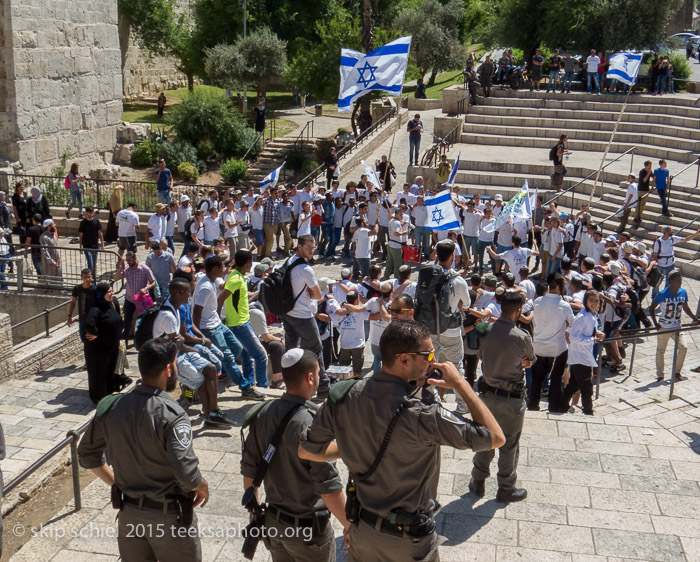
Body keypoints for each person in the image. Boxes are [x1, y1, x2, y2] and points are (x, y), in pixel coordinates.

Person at [299, 320, 505, 561]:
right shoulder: (424, 414)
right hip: (409, 539)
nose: (432, 361)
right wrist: (461, 383)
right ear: (404, 360)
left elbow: (308, 451)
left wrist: (349, 447)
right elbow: (495, 437)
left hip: (362, 530)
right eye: (428, 355)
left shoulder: (343, 396)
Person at [78, 338, 209, 561]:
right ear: (169, 369)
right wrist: (202, 485)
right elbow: (187, 475)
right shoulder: (173, 415)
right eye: (176, 365)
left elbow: (87, 455)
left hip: (129, 515)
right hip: (169, 519)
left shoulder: (112, 406)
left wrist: (116, 483)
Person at [242, 349, 349, 560]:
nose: (320, 378)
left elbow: (250, 471)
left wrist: (254, 515)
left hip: (274, 524)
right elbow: (328, 487)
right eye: (318, 373)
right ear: (310, 378)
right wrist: (348, 525)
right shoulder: (312, 424)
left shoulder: (263, 412)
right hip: (308, 532)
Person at [470, 291, 533, 503]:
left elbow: (481, 355)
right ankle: (506, 487)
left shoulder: (485, 330)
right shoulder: (522, 336)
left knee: (486, 438)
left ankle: (477, 481)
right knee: (509, 443)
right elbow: (529, 360)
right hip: (511, 398)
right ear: (518, 311)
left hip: (486, 395)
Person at [153, 278, 232, 427]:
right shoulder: (168, 315)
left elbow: (180, 340)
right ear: (180, 292)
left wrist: (188, 344)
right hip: (170, 357)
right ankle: (210, 416)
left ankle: (214, 412)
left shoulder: (175, 308)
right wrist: (196, 348)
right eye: (188, 293)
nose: (190, 296)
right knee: (201, 379)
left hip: (179, 350)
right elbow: (177, 344)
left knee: (211, 368)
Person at [193, 256, 264, 400]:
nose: (225, 269)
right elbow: (196, 312)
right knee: (229, 357)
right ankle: (245, 387)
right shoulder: (206, 288)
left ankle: (224, 373)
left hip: (217, 323)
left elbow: (224, 285)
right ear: (215, 269)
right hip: (208, 328)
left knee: (237, 347)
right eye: (222, 267)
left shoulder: (212, 280)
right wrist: (199, 334)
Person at [282, 235, 331, 399]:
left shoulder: (288, 261)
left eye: (313, 247)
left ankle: (292, 384)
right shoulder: (305, 269)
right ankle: (324, 388)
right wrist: (312, 292)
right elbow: (317, 295)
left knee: (291, 348)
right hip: (303, 315)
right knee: (316, 349)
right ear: (299, 246)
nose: (311, 250)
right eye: (308, 247)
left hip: (287, 312)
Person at [218, 249, 269, 389]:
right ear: (248, 262)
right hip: (240, 324)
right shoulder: (235, 279)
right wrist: (218, 318)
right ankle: (262, 387)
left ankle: (249, 386)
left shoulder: (235, 275)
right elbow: (221, 298)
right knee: (261, 356)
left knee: (247, 357)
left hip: (241, 322)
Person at [529, 274, 574, 413]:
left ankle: (532, 406)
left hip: (538, 347)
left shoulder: (537, 301)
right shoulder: (564, 305)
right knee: (555, 381)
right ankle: (554, 407)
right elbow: (572, 323)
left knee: (536, 380)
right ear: (560, 287)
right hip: (556, 349)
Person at [561, 289, 605, 415]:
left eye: (596, 301)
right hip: (581, 357)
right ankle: (588, 412)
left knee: (573, 384)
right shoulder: (582, 316)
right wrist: (593, 339)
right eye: (591, 300)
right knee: (587, 388)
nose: (594, 303)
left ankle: (562, 405)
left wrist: (596, 334)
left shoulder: (592, 315)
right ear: (586, 301)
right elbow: (574, 337)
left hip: (583, 356)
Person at [650, 271, 699, 382]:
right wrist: (656, 324)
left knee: (684, 347)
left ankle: (677, 372)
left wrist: (695, 319)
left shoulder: (683, 292)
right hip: (664, 327)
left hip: (677, 326)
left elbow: (685, 307)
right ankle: (660, 375)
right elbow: (651, 308)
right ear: (671, 281)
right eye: (678, 280)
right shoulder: (662, 294)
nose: (680, 282)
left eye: (681, 280)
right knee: (661, 351)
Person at [83, 282, 123, 403]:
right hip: (99, 350)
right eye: (108, 292)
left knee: (109, 372)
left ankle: (109, 395)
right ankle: (99, 398)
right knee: (99, 374)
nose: (111, 294)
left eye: (111, 291)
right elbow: (89, 324)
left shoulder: (111, 305)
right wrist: (97, 334)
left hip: (111, 347)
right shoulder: (96, 309)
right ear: (101, 294)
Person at [114, 251, 155, 347]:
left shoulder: (145, 269)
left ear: (135, 258)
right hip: (130, 299)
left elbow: (153, 282)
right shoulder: (127, 269)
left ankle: (143, 340)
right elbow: (116, 278)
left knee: (143, 320)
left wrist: (145, 289)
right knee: (127, 320)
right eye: (127, 260)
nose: (128, 262)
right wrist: (121, 267)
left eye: (130, 260)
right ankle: (125, 342)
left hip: (141, 300)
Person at [651, 225, 700, 296]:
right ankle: (654, 298)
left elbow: (686, 239)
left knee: (669, 282)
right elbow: (655, 255)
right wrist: (655, 266)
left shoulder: (672, 239)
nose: (673, 232)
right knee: (657, 283)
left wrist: (697, 233)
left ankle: (665, 296)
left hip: (670, 264)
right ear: (667, 232)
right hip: (661, 265)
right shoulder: (659, 242)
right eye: (671, 230)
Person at [68, 268, 97, 346]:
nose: (87, 279)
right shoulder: (77, 289)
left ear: (92, 277)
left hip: (92, 320)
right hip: (82, 320)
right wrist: (69, 316)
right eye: (85, 277)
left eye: (89, 277)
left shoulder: (95, 290)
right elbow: (73, 302)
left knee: (92, 341)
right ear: (82, 278)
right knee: (84, 340)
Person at [383, 204, 409, 280]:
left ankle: (386, 276)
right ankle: (397, 279)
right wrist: (404, 233)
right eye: (400, 214)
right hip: (396, 245)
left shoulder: (391, 220)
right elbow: (396, 233)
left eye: (402, 214)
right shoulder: (397, 222)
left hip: (391, 243)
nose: (402, 216)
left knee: (389, 262)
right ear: (396, 214)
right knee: (398, 264)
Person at [77, 206, 103, 275]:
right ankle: (90, 277)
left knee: (94, 264)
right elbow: (81, 235)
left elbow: (100, 233)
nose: (90, 214)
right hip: (86, 245)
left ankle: (93, 278)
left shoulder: (96, 221)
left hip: (95, 246)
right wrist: (80, 247)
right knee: (90, 263)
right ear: (86, 213)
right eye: (89, 212)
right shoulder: (83, 223)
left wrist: (102, 244)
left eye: (91, 212)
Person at [40, 218, 61, 286]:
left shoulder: (54, 234)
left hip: (57, 259)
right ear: (48, 227)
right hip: (49, 263)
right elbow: (45, 251)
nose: (55, 225)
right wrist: (51, 261)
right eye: (53, 224)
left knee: (59, 277)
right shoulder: (44, 237)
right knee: (51, 279)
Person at [635, 161, 652, 227]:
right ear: (646, 166)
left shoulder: (649, 171)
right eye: (649, 166)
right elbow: (644, 180)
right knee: (639, 204)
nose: (650, 167)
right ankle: (636, 217)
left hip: (646, 190)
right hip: (641, 190)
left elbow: (653, 176)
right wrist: (648, 173)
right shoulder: (642, 172)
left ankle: (639, 216)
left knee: (643, 204)